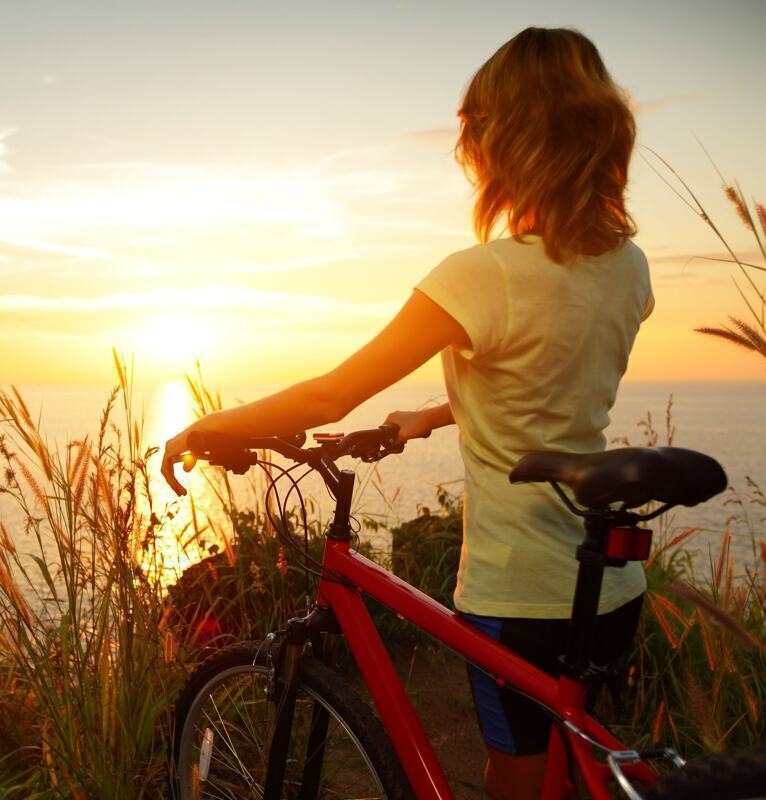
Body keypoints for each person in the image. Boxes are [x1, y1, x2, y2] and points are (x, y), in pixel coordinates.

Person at [160, 26, 652, 800]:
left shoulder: (482, 275)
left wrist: (214, 425)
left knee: (516, 787)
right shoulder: (629, 268)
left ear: (512, 140)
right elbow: (548, 385)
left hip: (519, 593)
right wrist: (431, 413)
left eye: (480, 129)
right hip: (611, 587)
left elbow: (331, 395)